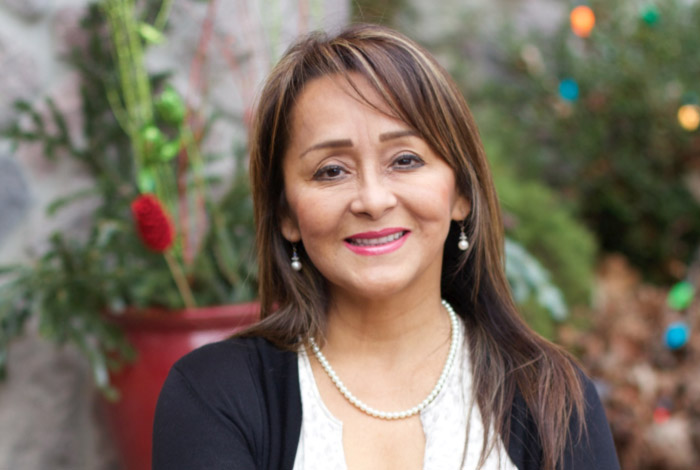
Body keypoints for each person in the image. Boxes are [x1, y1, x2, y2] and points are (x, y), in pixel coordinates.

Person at [152, 24, 620, 470]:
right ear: (287, 215)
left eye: (405, 160)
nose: (373, 200)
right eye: (331, 170)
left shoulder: (551, 398)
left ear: (460, 193)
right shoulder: (214, 396)